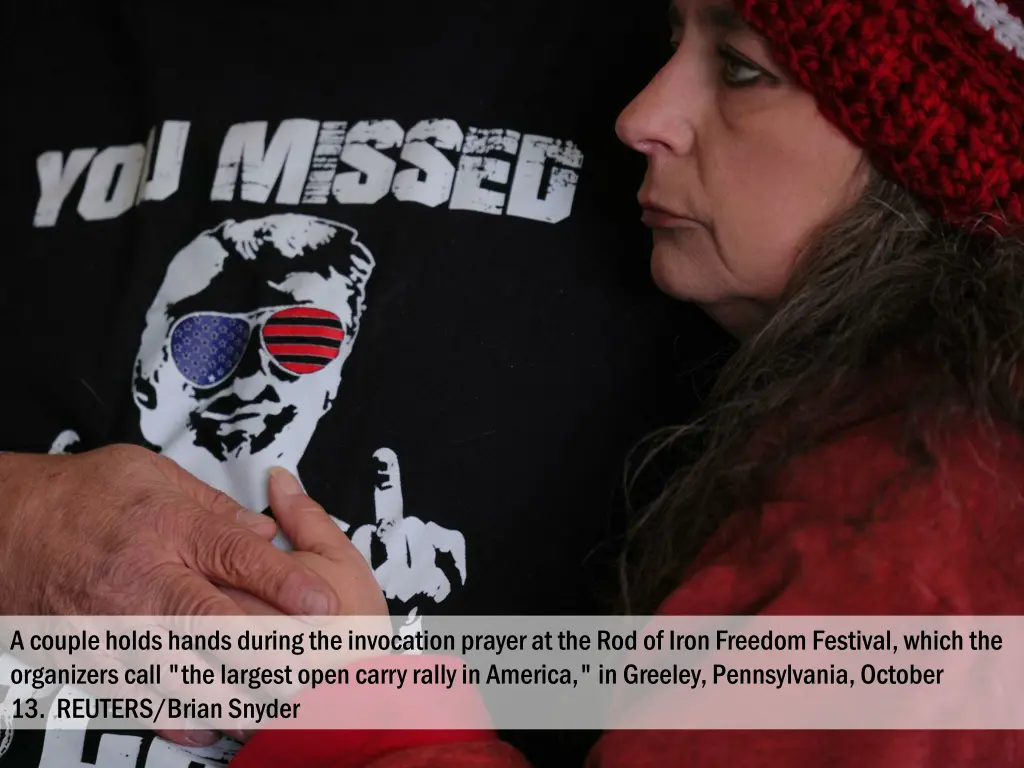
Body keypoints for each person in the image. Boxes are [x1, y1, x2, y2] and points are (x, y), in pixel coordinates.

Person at [227, 0, 1024, 764]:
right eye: (674, 41)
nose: (641, 117)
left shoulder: (910, 530)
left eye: (741, 69)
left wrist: (353, 707)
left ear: (931, 138)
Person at [0, 1, 714, 766]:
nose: (250, 380)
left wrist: (382, 671)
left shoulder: (691, 79)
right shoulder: (34, 48)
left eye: (301, 342)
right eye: (204, 341)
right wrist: (17, 521)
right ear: (148, 368)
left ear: (334, 378)